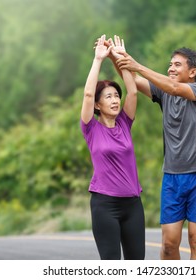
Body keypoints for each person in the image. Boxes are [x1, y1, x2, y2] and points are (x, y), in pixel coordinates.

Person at [114, 45, 196, 260]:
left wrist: (136, 65)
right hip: (172, 178)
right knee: (169, 245)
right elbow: (133, 81)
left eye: (177, 65)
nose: (171, 68)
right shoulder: (163, 92)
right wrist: (116, 58)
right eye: (170, 64)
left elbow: (173, 87)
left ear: (192, 72)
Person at [80, 34, 145, 260]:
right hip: (104, 205)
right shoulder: (91, 128)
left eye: (116, 96)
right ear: (98, 105)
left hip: (133, 205)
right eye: (108, 97)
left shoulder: (125, 123)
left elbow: (134, 90)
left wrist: (120, 58)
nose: (115, 100)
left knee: (137, 264)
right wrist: (98, 59)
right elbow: (88, 93)